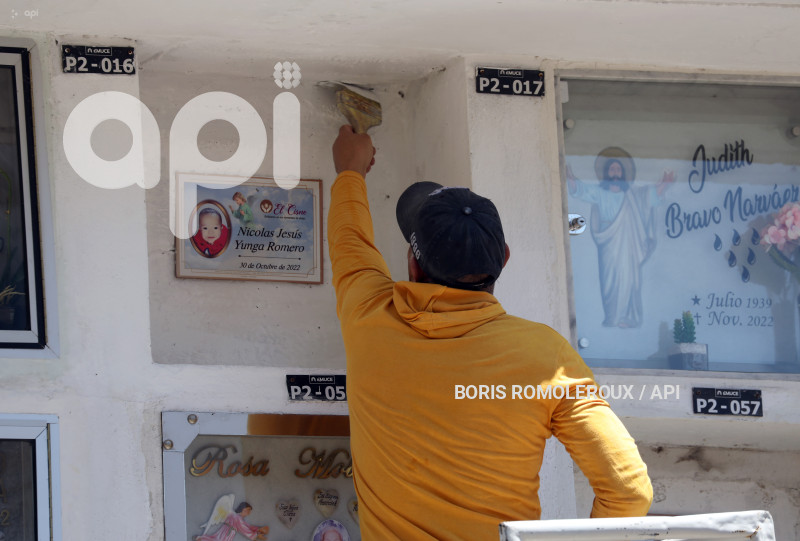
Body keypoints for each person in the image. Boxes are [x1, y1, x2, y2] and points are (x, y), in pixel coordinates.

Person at [328, 125, 652, 540]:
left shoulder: (369, 317)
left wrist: (349, 171)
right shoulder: (545, 358)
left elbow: (349, 242)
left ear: (412, 265)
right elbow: (628, 489)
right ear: (504, 258)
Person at [566, 147, 673, 328]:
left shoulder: (631, 195)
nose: (615, 172)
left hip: (628, 243)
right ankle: (612, 317)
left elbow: (649, 196)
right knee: (610, 281)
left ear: (623, 173)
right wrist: (570, 179)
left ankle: (627, 316)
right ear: (606, 173)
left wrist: (663, 185)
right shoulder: (601, 193)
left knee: (629, 279)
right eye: (612, 169)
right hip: (609, 241)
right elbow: (583, 190)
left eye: (618, 169)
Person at [195, 502, 269, 541]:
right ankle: (201, 539)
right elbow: (244, 529)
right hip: (227, 533)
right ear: (244, 509)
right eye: (248, 510)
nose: (249, 512)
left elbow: (247, 526)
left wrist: (257, 529)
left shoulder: (237, 517)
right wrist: (255, 535)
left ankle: (201, 539)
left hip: (227, 531)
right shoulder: (237, 517)